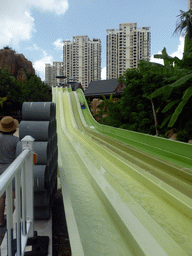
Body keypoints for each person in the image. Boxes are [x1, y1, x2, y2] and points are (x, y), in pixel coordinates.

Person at [0, 116, 19, 226]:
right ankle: (11, 221)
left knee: (1, 196)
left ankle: (0, 220)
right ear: (14, 128)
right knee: (11, 195)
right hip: (11, 169)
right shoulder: (16, 141)